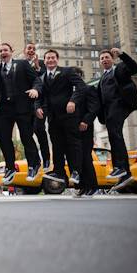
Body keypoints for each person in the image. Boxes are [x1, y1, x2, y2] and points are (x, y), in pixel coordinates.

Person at [0, 42, 42, 185]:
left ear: (11, 51)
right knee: (5, 139)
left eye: (5, 50)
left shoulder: (23, 64)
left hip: (22, 107)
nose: (3, 52)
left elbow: (36, 79)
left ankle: (33, 165)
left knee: (26, 137)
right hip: (4, 109)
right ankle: (10, 167)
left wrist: (36, 90)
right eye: (0, 51)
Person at [35, 49, 85, 186]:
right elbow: (39, 96)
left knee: (72, 144)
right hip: (53, 117)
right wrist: (37, 107)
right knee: (56, 145)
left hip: (69, 116)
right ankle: (59, 172)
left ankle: (76, 171)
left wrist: (73, 101)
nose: (50, 60)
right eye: (47, 58)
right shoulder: (42, 78)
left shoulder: (67, 72)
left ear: (57, 59)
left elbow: (81, 86)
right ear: (44, 61)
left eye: (53, 57)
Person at [97, 48, 137, 191]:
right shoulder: (102, 78)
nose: (104, 60)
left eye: (107, 57)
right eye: (102, 58)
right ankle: (125, 174)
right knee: (114, 136)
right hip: (108, 111)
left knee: (115, 134)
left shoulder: (119, 70)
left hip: (119, 105)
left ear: (112, 59)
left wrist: (122, 54)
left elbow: (135, 68)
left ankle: (119, 166)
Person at [71, 67, 100, 197]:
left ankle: (92, 186)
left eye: (76, 75)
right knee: (76, 158)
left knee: (86, 157)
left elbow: (94, 107)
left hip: (84, 128)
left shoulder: (89, 89)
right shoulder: (68, 92)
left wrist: (86, 121)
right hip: (71, 129)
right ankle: (82, 186)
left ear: (81, 76)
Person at [24, 42, 51, 170]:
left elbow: (44, 82)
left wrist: (37, 67)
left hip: (41, 102)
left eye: (34, 49)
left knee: (39, 129)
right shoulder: (20, 64)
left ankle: (46, 158)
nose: (31, 50)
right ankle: (35, 160)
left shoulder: (42, 63)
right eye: (29, 48)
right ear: (24, 51)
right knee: (27, 133)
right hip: (25, 104)